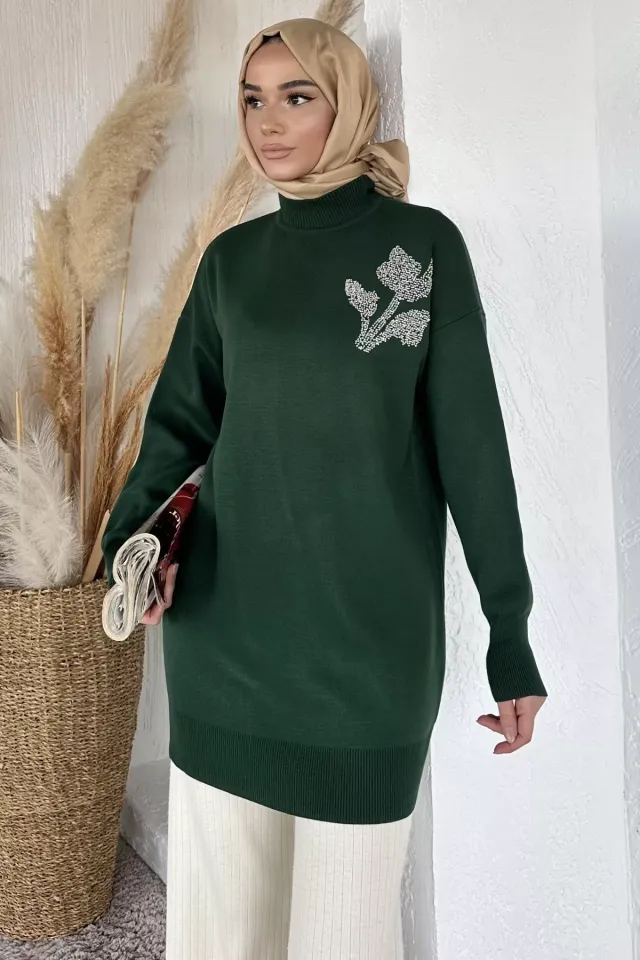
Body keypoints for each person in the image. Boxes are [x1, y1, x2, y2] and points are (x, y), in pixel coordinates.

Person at [102, 17, 547, 960]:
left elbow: (475, 454)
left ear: (347, 106)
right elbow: (178, 428)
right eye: (253, 99)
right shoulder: (231, 264)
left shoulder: (421, 251)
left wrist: (509, 635)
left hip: (366, 658)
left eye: (297, 96)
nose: (268, 122)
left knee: (346, 932)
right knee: (222, 933)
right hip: (225, 645)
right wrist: (132, 548)